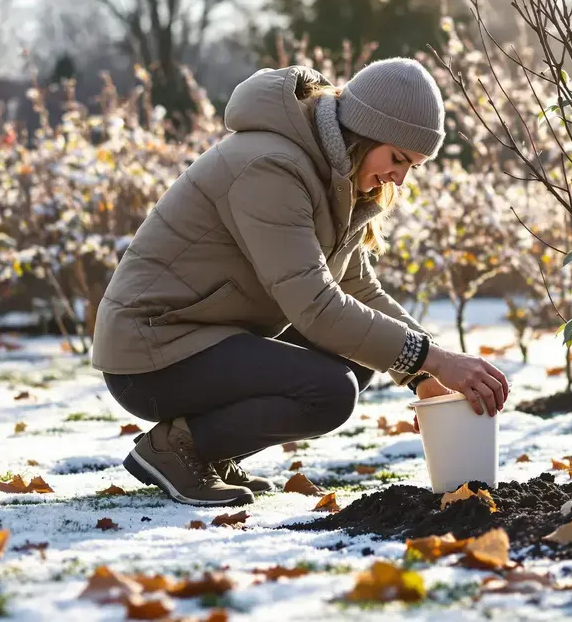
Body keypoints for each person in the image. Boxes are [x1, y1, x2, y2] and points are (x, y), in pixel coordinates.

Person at [91, 59, 509, 507]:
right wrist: (436, 359)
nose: (400, 178)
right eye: (398, 158)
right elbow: (316, 306)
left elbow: (359, 291)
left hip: (202, 340)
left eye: (414, 166)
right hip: (151, 352)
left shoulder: (334, 180)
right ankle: (178, 450)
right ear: (363, 133)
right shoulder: (271, 166)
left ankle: (210, 450)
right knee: (330, 391)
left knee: (363, 358)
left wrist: (423, 372)